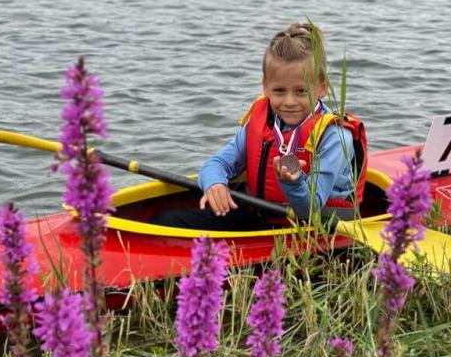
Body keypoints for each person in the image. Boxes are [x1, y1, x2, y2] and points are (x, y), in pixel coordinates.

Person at [153, 21, 367, 230]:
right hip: (259, 215)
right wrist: (215, 184)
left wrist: (293, 183)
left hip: (312, 228)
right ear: (265, 87)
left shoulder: (335, 137)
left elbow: (310, 209)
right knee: (165, 219)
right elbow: (216, 163)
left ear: (321, 88)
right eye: (279, 91)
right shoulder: (262, 121)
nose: (289, 102)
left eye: (301, 91)